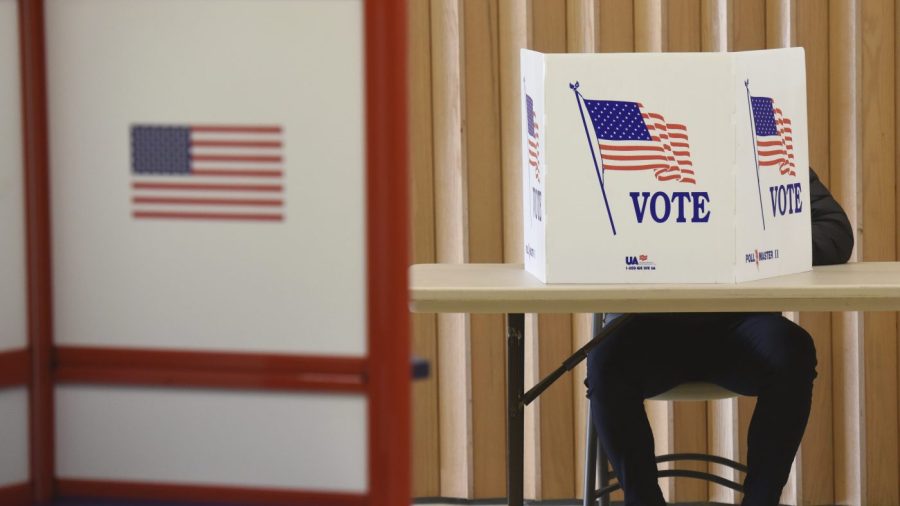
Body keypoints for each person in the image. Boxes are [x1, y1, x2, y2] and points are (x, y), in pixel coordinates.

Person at [585, 168, 854, 506]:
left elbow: (836, 233)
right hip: (648, 324)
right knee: (605, 361)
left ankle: (760, 500)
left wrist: (749, 247)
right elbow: (580, 232)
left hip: (740, 324)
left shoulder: (760, 152)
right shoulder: (619, 153)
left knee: (793, 351)